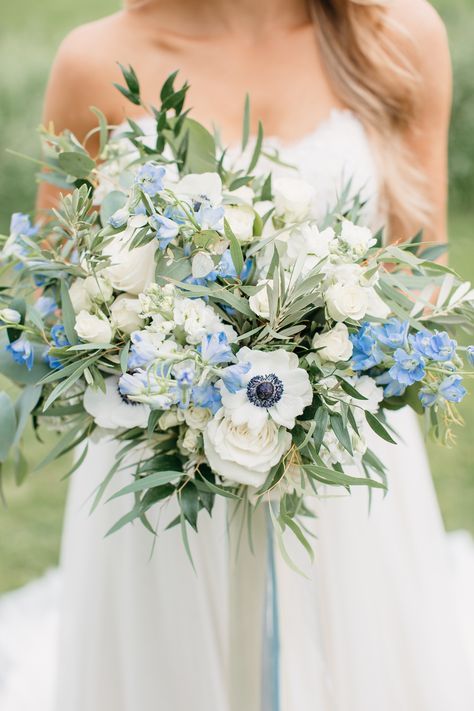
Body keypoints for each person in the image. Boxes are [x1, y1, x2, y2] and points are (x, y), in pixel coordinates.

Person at [37, 1, 474, 709]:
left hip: (337, 476)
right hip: (161, 489)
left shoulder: (398, 37)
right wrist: (174, 364)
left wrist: (312, 343)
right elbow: (61, 302)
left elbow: (419, 278)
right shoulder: (92, 61)